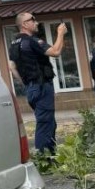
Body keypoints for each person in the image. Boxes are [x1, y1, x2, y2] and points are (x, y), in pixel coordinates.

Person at [8, 13, 67, 154]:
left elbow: (12, 67)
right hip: (41, 87)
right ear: (24, 24)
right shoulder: (32, 41)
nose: (37, 22)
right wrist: (60, 33)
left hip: (32, 88)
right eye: (32, 20)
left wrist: (27, 84)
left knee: (48, 122)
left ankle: (50, 155)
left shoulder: (14, 43)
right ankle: (44, 157)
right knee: (45, 123)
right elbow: (56, 51)